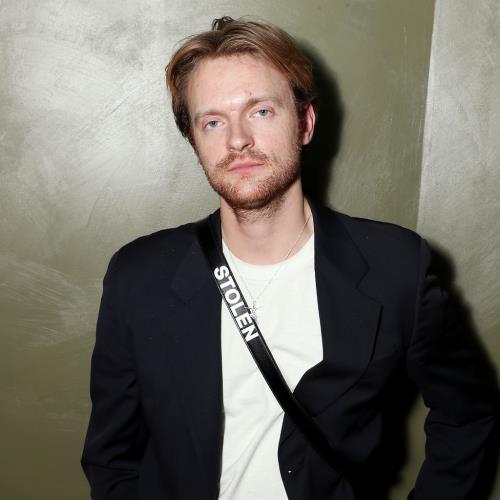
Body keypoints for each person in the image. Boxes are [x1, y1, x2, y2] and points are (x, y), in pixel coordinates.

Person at [81, 16, 497, 500]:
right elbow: (111, 458)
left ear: (304, 123)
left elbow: (467, 413)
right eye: (212, 122)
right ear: (195, 144)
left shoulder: (395, 267)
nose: (237, 139)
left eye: (260, 111)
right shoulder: (139, 276)